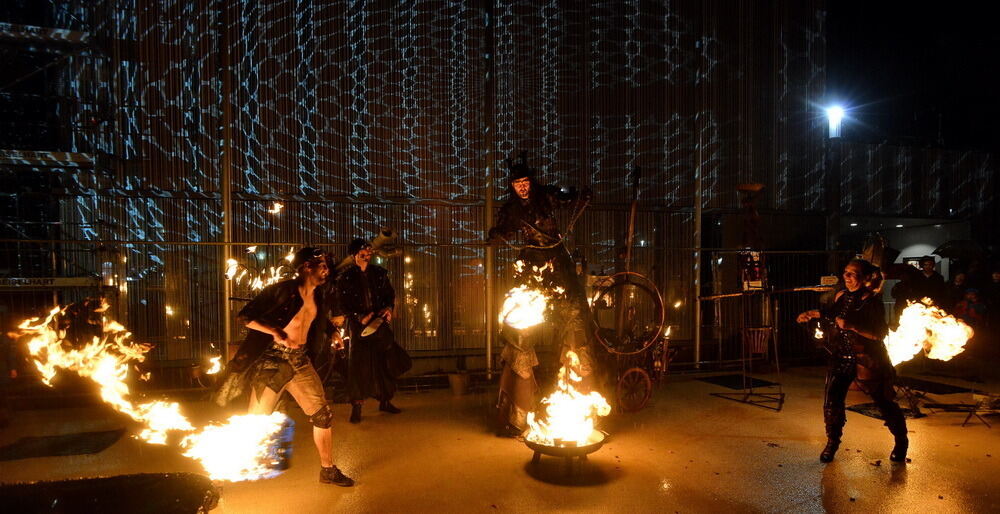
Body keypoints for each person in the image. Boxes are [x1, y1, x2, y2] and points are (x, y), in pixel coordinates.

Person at [215, 247, 353, 486]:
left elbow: (317, 320)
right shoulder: (281, 291)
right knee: (255, 422)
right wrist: (275, 331)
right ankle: (225, 464)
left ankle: (328, 470)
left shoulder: (319, 295)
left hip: (300, 361)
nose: (326, 270)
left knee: (322, 416)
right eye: (321, 265)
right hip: (272, 363)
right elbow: (246, 317)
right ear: (306, 267)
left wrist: (332, 332)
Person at [486, 153, 593, 436]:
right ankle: (517, 414)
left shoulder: (545, 196)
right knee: (522, 324)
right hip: (530, 264)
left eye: (525, 181)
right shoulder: (510, 209)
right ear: (511, 186)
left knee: (572, 316)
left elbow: (565, 196)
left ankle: (578, 402)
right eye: (516, 183)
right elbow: (503, 230)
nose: (521, 187)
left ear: (531, 181)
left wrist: (579, 195)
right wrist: (495, 235)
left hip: (557, 261)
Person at [797, 259, 908, 463]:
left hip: (867, 358)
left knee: (884, 402)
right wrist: (813, 314)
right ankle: (832, 443)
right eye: (845, 272)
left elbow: (880, 333)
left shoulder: (872, 301)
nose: (846, 277)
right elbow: (833, 314)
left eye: (852, 273)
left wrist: (853, 326)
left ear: (865, 277)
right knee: (832, 403)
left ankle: (901, 441)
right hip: (841, 357)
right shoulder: (841, 295)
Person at [337, 238, 401, 424]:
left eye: (368, 254)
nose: (366, 257)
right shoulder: (346, 278)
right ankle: (357, 406)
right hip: (359, 329)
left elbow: (390, 294)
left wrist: (388, 309)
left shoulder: (379, 274)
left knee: (384, 362)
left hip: (379, 325)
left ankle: (385, 400)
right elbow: (342, 303)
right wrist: (358, 316)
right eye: (362, 255)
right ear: (354, 256)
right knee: (359, 366)